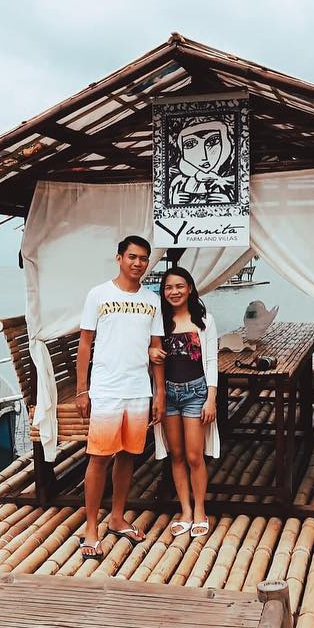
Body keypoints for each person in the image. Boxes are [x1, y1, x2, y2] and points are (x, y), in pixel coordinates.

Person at [75, 235, 165, 559]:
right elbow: (85, 345)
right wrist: (82, 390)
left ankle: (116, 517)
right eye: (132, 257)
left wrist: (159, 392)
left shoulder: (152, 300)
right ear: (119, 258)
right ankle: (90, 528)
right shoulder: (98, 294)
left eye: (143, 258)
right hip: (107, 390)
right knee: (99, 458)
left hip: (138, 390)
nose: (138, 263)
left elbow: (156, 349)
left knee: (128, 455)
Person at [148, 266, 219, 539]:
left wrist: (210, 398)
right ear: (162, 292)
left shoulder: (204, 321)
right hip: (167, 394)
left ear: (189, 288)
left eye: (179, 286)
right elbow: (150, 354)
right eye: (168, 287)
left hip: (196, 393)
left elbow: (211, 361)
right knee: (175, 455)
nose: (174, 292)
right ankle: (186, 510)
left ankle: (200, 510)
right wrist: (150, 352)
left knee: (194, 455)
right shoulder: (158, 322)